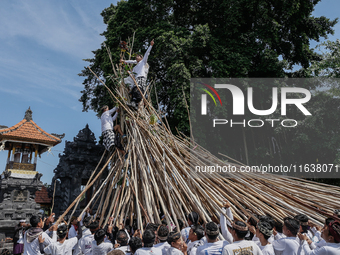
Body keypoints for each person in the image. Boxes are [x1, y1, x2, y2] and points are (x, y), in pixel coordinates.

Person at [121, 39, 154, 110]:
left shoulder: (143, 62)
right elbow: (132, 73)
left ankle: (135, 103)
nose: (136, 57)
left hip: (141, 77)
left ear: (141, 58)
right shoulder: (135, 67)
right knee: (134, 90)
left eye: (138, 56)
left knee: (138, 90)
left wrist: (150, 46)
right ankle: (134, 104)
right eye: (136, 57)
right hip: (136, 78)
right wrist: (126, 67)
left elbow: (146, 54)